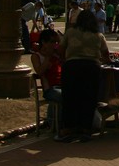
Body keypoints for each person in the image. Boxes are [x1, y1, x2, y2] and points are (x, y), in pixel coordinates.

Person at [58, 9, 109, 141]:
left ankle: (68, 129)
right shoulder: (98, 35)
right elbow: (106, 54)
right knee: (89, 99)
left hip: (72, 67)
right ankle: (86, 130)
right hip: (91, 68)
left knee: (70, 98)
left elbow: (61, 49)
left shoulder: (70, 32)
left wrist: (65, 61)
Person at [31, 28, 62, 130]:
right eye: (52, 42)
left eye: (56, 42)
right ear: (44, 42)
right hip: (50, 89)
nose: (54, 45)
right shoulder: (36, 56)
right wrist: (48, 57)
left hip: (62, 85)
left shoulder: (57, 54)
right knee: (64, 96)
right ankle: (57, 124)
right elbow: (39, 71)